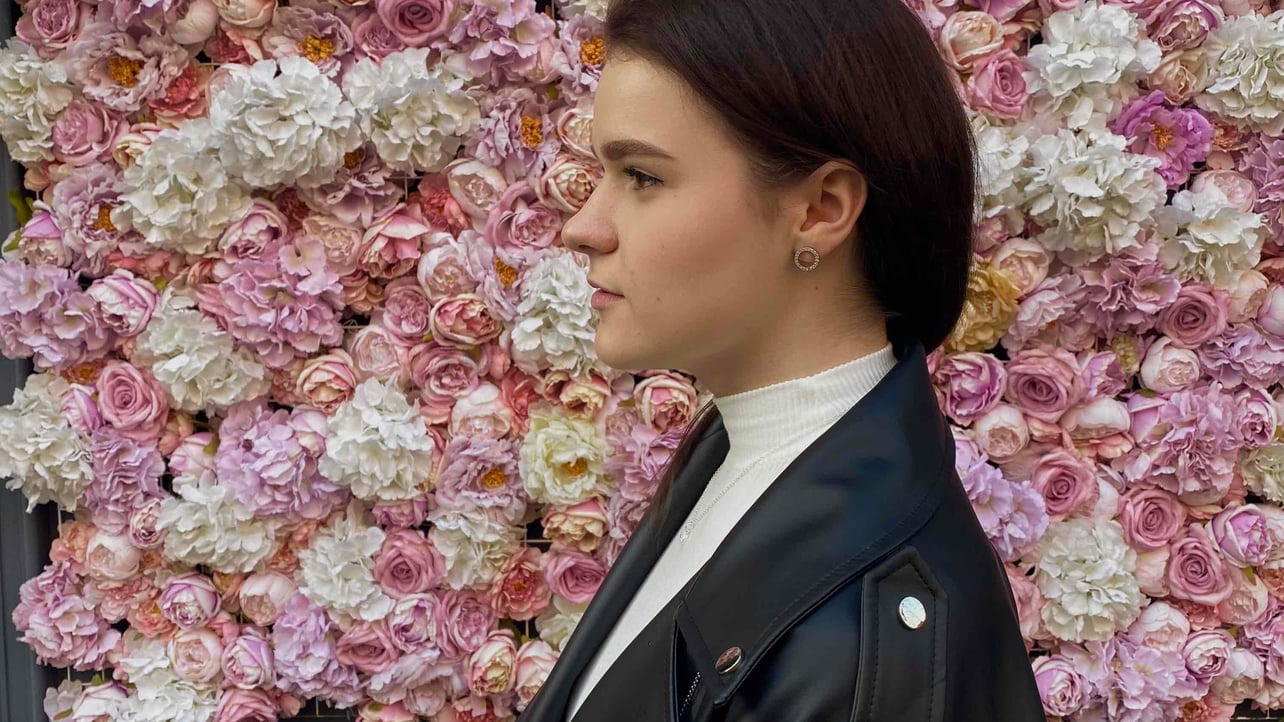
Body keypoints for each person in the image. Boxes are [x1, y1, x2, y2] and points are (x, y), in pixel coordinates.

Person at [519, 0, 1047, 719]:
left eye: (642, 176)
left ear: (821, 209)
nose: (584, 228)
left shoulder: (867, 644)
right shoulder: (740, 454)